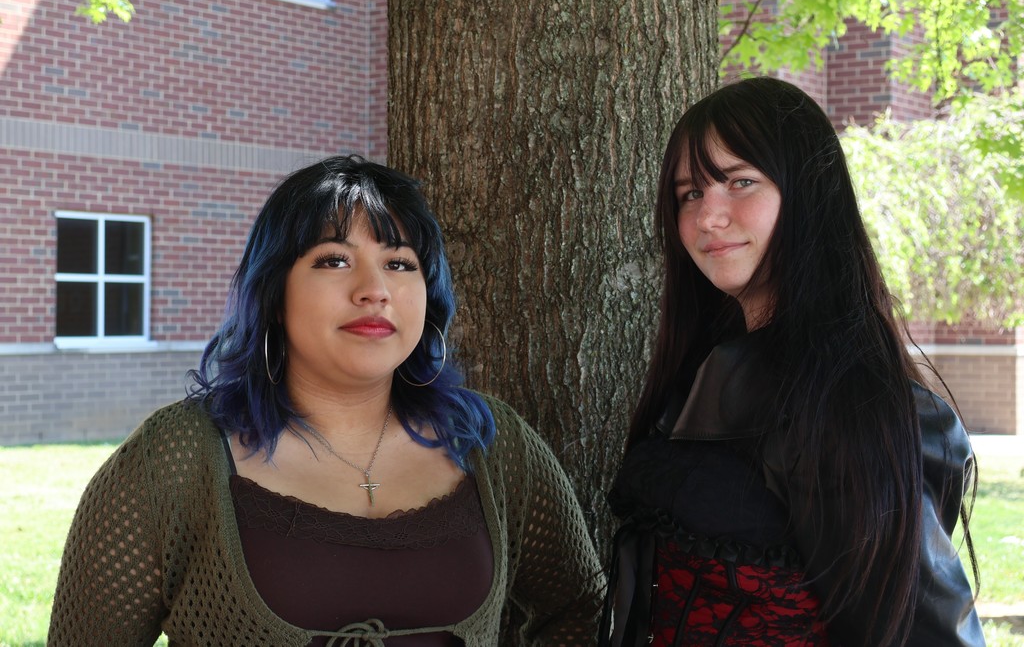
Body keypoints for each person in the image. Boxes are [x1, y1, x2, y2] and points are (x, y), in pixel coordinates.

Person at [49, 155, 603, 646]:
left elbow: (580, 608)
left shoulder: (487, 441)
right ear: (273, 292)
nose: (374, 289)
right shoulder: (175, 460)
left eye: (400, 263)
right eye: (334, 260)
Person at [599, 77, 984, 646]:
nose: (707, 216)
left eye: (740, 182)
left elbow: (928, 632)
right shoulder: (700, 371)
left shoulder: (842, 399)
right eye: (690, 193)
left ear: (808, 193)